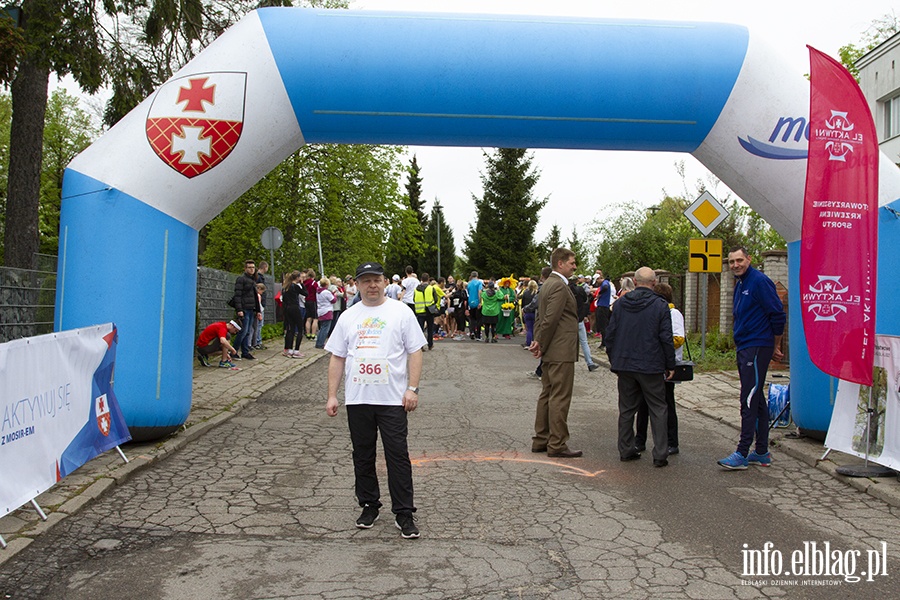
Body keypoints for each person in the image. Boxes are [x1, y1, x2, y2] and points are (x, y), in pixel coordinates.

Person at [325, 262, 427, 539]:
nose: (372, 285)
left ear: (385, 283)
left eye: (376, 280)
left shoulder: (401, 313)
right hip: (358, 398)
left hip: (392, 399)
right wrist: (333, 395)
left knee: (397, 455)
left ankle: (404, 512)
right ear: (357, 285)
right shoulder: (348, 316)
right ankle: (369, 504)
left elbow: (415, 351)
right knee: (363, 454)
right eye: (366, 281)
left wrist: (412, 388)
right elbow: (337, 356)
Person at [717, 247, 786, 470]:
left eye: (739, 260)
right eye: (731, 262)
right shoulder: (741, 283)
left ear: (749, 259)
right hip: (746, 345)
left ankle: (742, 452)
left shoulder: (759, 281)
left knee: (748, 399)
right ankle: (762, 452)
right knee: (757, 400)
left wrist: (775, 344)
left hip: (757, 346)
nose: (735, 265)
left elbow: (777, 314)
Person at [605, 267, 675, 467]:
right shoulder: (660, 306)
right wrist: (670, 364)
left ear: (634, 282)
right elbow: (665, 337)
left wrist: (614, 358)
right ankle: (660, 453)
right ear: (654, 283)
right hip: (651, 364)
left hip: (625, 364)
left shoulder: (620, 305)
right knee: (658, 408)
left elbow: (610, 334)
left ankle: (626, 449)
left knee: (627, 409)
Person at [529, 248, 581, 458]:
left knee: (547, 394)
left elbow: (542, 316)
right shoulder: (559, 286)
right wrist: (540, 342)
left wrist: (539, 342)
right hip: (561, 349)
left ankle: (541, 439)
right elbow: (551, 318)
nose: (574, 266)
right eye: (572, 263)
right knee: (559, 396)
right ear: (560, 263)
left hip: (552, 348)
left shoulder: (548, 284)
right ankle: (557, 443)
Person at [634, 282, 684, 455]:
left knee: (667, 403)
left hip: (666, 364)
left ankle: (672, 442)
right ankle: (639, 440)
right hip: (651, 364)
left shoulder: (673, 313)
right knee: (643, 405)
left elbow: (678, 338)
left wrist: (661, 347)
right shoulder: (653, 311)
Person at [568, 276, 599, 372]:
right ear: (577, 281)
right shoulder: (580, 290)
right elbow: (586, 302)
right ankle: (590, 362)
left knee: (568, 342)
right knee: (584, 342)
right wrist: (583, 315)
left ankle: (567, 363)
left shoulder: (566, 290)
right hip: (579, 319)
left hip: (569, 320)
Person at [232, 260, 260, 360]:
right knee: (243, 331)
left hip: (251, 308)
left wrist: (258, 310)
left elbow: (255, 297)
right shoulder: (241, 279)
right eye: (249, 267)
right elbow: (237, 295)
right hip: (244, 308)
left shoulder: (253, 280)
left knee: (248, 331)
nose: (252, 269)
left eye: (253, 267)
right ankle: (234, 351)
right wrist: (239, 309)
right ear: (245, 268)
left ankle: (245, 351)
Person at [281, 270, 305, 358]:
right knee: (299, 329)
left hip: (287, 308)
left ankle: (289, 349)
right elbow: (305, 293)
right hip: (295, 307)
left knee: (290, 329)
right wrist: (302, 284)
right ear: (298, 278)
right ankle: (296, 350)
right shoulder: (295, 287)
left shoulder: (286, 287)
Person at [413, 272, 439, 350]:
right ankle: (430, 345)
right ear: (428, 279)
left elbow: (414, 299)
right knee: (430, 329)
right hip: (429, 311)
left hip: (420, 311)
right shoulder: (431, 288)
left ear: (421, 279)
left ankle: (420, 346)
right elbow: (436, 299)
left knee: (420, 329)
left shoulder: (416, 289)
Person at [315, 276, 337, 349]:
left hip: (320, 310)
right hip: (327, 310)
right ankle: (321, 343)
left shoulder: (318, 292)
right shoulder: (326, 292)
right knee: (325, 328)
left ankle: (319, 342)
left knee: (322, 328)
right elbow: (333, 300)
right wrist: (334, 295)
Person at [252, 260, 269, 350]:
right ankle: (257, 341)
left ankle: (257, 341)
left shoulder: (258, 276)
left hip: (260, 303)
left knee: (258, 325)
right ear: (264, 267)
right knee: (258, 324)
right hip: (259, 304)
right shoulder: (259, 277)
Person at [593, 271, 612, 347]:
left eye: (597, 281)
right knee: (602, 325)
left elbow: (605, 287)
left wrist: (600, 293)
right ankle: (604, 341)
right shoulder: (605, 283)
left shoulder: (605, 283)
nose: (597, 283)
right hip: (602, 305)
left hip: (603, 306)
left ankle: (605, 342)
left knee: (603, 325)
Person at [521, 279, 539, 347]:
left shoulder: (525, 293)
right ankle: (534, 343)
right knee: (535, 329)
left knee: (529, 329)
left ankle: (528, 343)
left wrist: (523, 310)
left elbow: (523, 303)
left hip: (527, 312)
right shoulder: (537, 293)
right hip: (535, 313)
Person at [466, 271, 484, 340]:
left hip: (470, 302)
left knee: (472, 319)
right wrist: (480, 302)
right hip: (477, 302)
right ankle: (478, 335)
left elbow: (468, 293)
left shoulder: (469, 284)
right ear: (477, 275)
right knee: (478, 319)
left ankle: (472, 332)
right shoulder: (479, 282)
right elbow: (479, 292)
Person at [303, 269, 319, 340]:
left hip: (306, 301)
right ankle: (313, 334)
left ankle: (308, 333)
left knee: (308, 318)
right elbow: (317, 291)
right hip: (313, 301)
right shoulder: (313, 283)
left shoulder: (304, 283)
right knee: (315, 319)